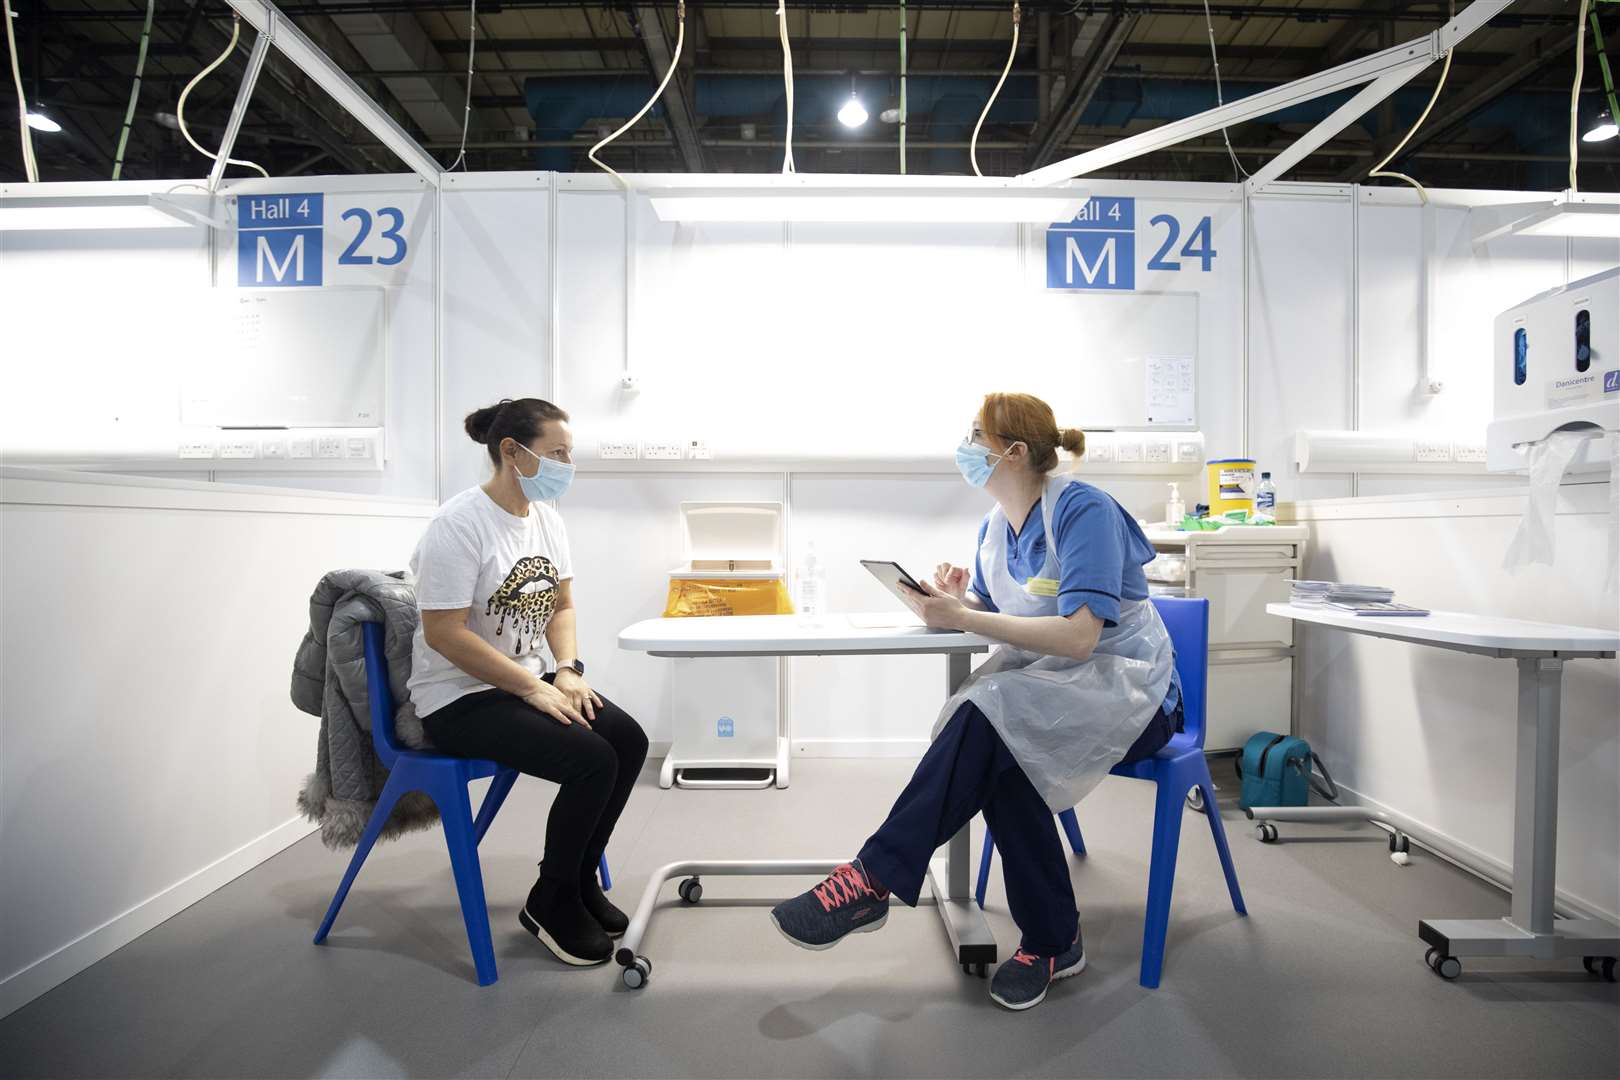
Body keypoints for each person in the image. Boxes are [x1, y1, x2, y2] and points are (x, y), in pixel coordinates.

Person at [770, 392, 1183, 1012]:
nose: (965, 449)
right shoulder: (995, 529)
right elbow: (1007, 617)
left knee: (988, 723)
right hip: (1053, 687)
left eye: (975, 437)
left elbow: (1077, 637)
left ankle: (872, 878)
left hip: (1132, 690)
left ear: (1014, 452)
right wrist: (959, 606)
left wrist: (969, 619)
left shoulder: (1084, 512)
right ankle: (1051, 941)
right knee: (1000, 748)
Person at [407, 397, 648, 968]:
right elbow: (443, 634)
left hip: (529, 679)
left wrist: (565, 670)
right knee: (592, 759)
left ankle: (579, 878)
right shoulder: (458, 525)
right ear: (512, 453)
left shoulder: (547, 519)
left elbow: (561, 604)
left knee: (628, 740)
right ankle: (551, 899)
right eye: (557, 453)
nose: (567, 464)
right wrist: (529, 686)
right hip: (458, 696)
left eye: (570, 453)